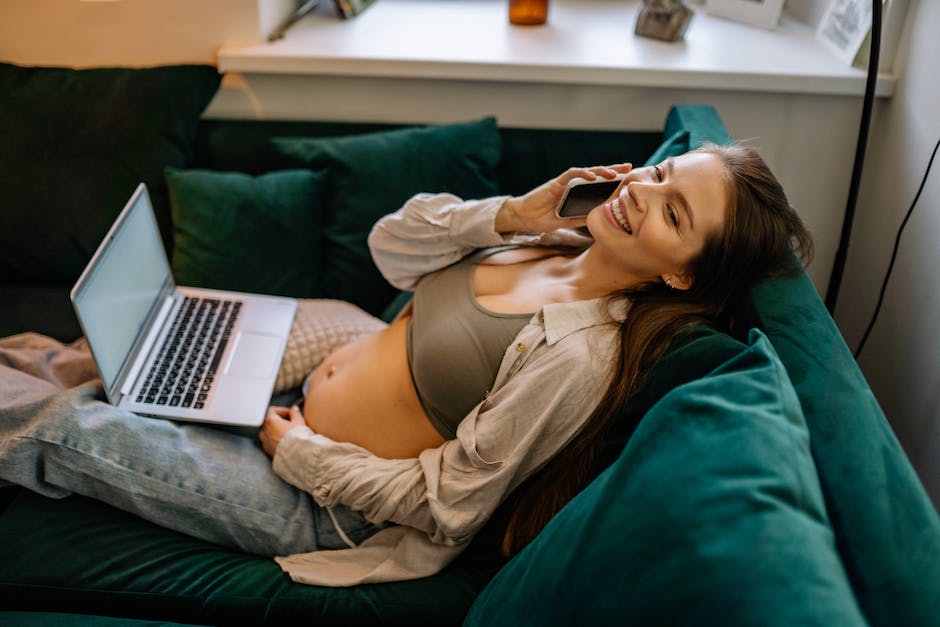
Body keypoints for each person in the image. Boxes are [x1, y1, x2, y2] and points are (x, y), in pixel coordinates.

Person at [0, 143, 812, 586]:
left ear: (682, 276)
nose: (644, 190)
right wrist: (508, 212)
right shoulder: (551, 233)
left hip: (321, 497)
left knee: (67, 429)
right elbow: (391, 250)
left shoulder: (581, 355)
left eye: (673, 212)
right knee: (108, 350)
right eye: (663, 173)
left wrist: (305, 455)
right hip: (303, 385)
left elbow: (451, 504)